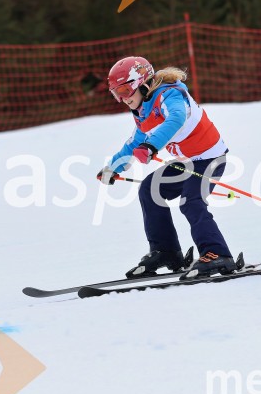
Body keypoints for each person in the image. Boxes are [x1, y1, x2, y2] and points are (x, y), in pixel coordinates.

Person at [96, 56, 235, 280]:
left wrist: (151, 146)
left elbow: (176, 119)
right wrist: (113, 167)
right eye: (115, 94)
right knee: (151, 190)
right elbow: (134, 143)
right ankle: (167, 252)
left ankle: (218, 253)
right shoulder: (142, 110)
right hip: (185, 162)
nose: (121, 99)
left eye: (123, 91)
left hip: (210, 157)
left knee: (191, 201)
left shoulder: (170, 94)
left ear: (141, 84)